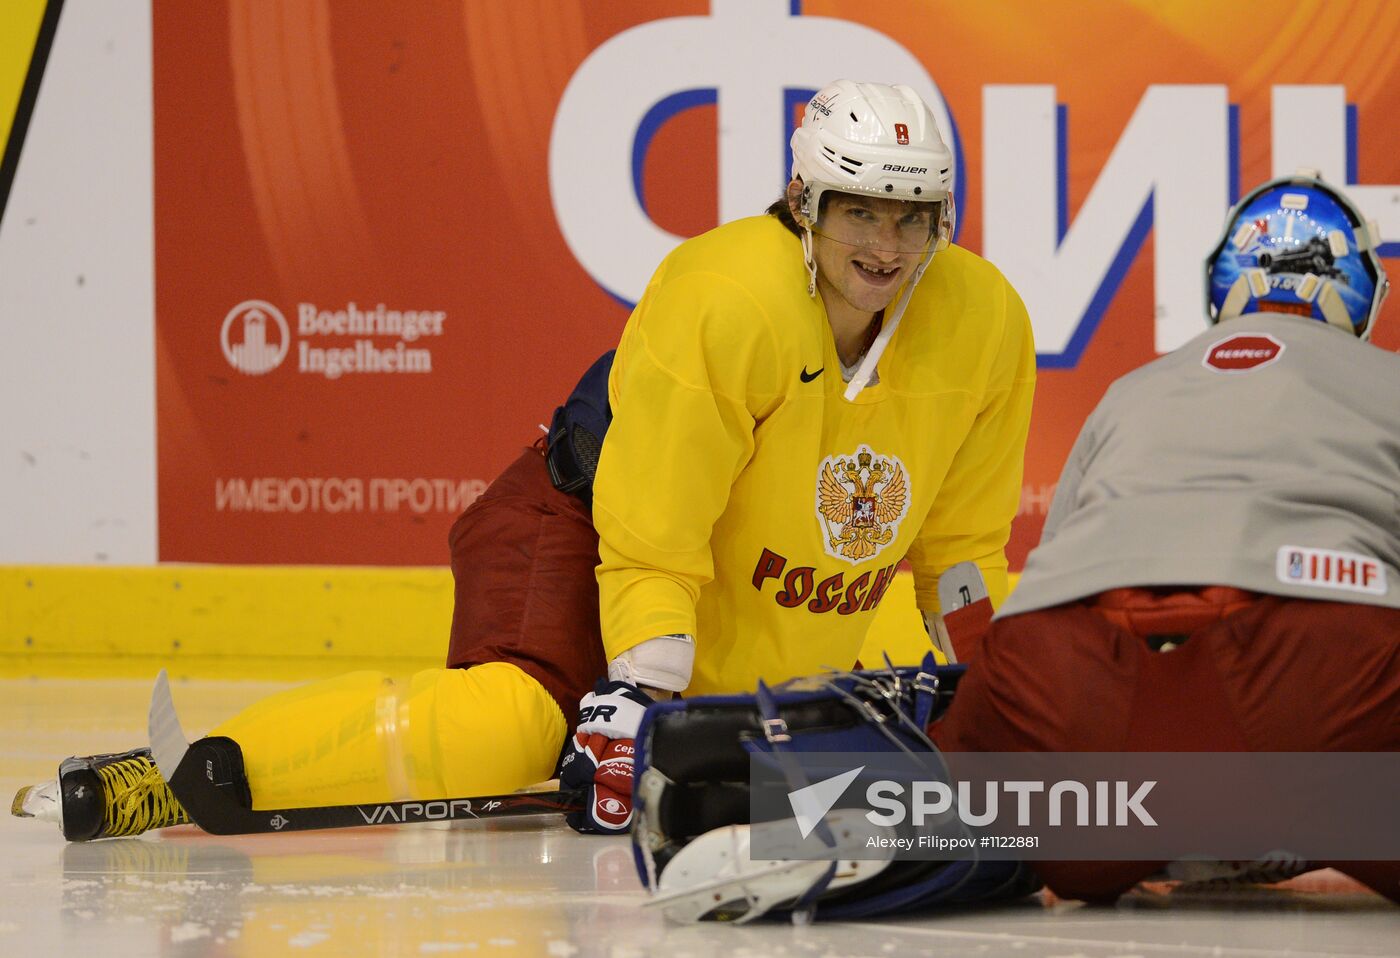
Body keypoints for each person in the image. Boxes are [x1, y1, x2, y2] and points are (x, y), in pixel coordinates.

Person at [13, 79, 1035, 841]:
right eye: (862, 209)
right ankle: (176, 772)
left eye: (913, 216)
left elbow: (955, 545)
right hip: (577, 520)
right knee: (509, 726)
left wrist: (1002, 696)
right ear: (803, 206)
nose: (888, 245)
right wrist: (635, 691)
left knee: (887, 716)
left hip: (746, 590)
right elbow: (653, 524)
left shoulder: (981, 321)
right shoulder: (728, 297)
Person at [931, 171, 1400, 904]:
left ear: (1223, 286)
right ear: (1365, 293)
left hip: (1075, 673)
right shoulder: (1387, 382)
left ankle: (774, 810)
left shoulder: (1132, 391)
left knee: (986, 818)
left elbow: (1049, 577)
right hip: (1317, 664)